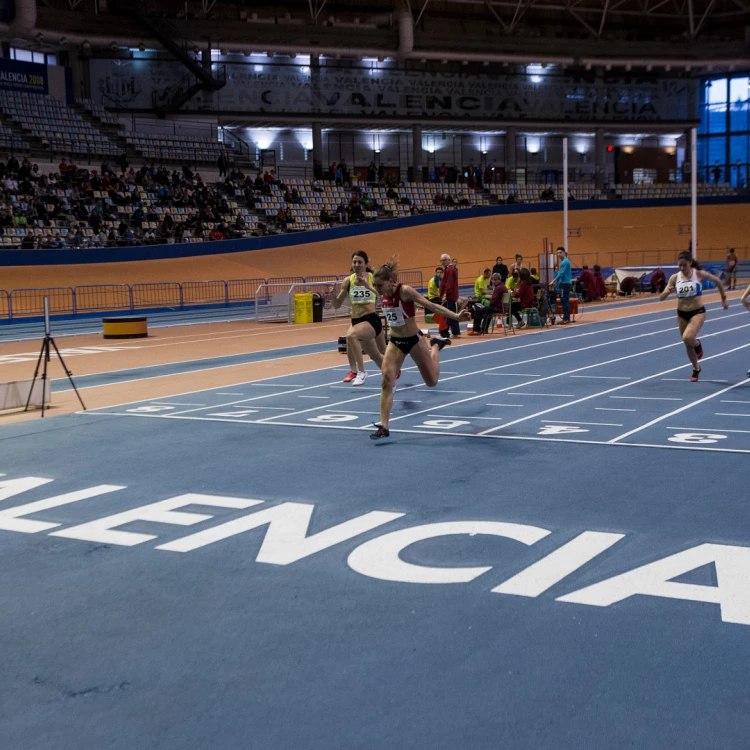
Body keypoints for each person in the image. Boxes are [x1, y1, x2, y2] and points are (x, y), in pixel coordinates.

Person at [370, 257, 471, 439]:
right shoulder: (382, 292)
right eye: (375, 286)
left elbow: (431, 305)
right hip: (396, 342)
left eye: (379, 286)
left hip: (414, 340)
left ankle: (435, 347)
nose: (377, 290)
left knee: (432, 382)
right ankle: (384, 426)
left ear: (391, 281)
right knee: (386, 380)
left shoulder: (405, 292)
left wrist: (456, 316)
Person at [660, 250, 728, 382]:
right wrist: (666, 292)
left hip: (697, 312)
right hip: (681, 314)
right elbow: (661, 298)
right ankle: (696, 368)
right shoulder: (675, 278)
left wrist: (724, 299)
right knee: (686, 343)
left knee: (688, 337)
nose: (682, 268)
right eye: (679, 265)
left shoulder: (698, 274)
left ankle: (698, 343)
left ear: (690, 263)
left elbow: (718, 281)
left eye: (684, 265)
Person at [333, 250, 387, 386]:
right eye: (354, 262)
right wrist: (333, 296)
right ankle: (390, 374)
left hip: (370, 319)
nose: (356, 265)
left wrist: (367, 286)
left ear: (365, 264)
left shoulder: (373, 277)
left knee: (351, 336)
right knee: (375, 355)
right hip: (356, 320)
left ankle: (360, 371)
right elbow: (337, 305)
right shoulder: (348, 281)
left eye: (360, 262)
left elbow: (382, 295)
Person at [438, 253, 461, 339]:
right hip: (450, 296)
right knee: (452, 315)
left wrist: (445, 295)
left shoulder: (450, 270)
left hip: (449, 297)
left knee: (447, 315)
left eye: (443, 260)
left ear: (448, 260)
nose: (442, 262)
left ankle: (445, 334)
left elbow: (449, 284)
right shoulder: (448, 269)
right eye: (441, 261)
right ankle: (455, 332)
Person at [549, 247, 572, 324]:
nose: (558, 254)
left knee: (564, 300)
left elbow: (561, 274)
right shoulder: (563, 262)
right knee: (564, 300)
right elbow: (561, 273)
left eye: (560, 252)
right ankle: (566, 317)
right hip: (564, 283)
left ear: (564, 253)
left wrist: (553, 281)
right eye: (558, 253)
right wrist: (556, 282)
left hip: (565, 284)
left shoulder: (564, 262)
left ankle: (566, 318)